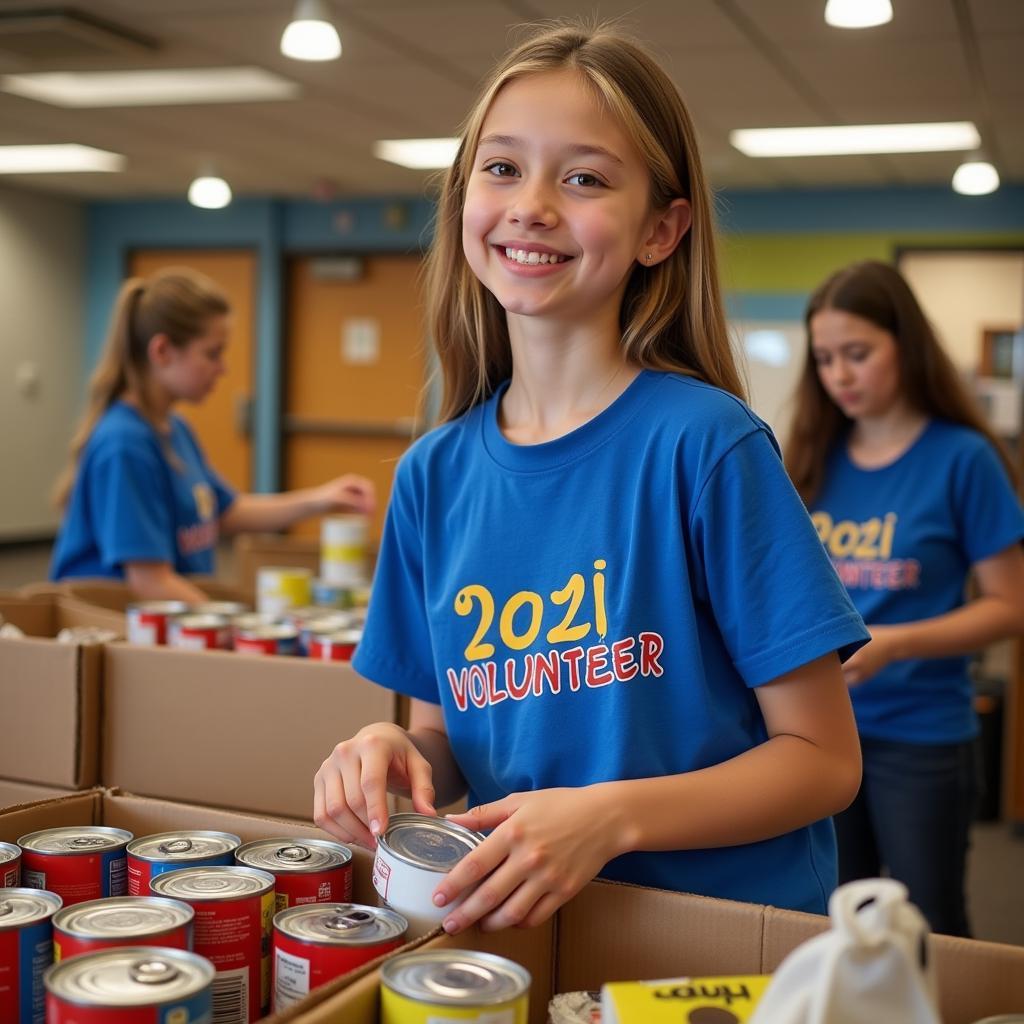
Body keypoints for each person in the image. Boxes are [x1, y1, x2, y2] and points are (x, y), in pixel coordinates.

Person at [314, 22, 870, 933]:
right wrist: (390, 750)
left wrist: (609, 816)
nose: (531, 204)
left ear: (661, 230)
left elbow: (821, 760)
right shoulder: (432, 476)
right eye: (501, 169)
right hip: (527, 927)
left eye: (583, 178)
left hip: (712, 931)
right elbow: (447, 738)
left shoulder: (708, 446)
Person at [785, 260, 1024, 936]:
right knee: (838, 922)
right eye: (826, 358)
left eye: (858, 354)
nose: (841, 375)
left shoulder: (962, 458)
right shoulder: (810, 454)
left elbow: (1011, 606)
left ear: (906, 346)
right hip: (817, 733)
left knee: (929, 925)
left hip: (920, 736)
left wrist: (898, 643)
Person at [50, 268, 375, 603]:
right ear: (162, 351)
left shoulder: (174, 429)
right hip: (119, 630)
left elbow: (225, 511)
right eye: (212, 353)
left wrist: (321, 499)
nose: (222, 369)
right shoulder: (125, 443)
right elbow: (149, 582)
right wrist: (235, 630)